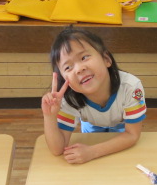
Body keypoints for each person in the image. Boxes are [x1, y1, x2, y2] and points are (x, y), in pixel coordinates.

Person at [41, 26, 146, 163]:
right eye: (68, 67)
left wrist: (92, 151)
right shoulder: (68, 99)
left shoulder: (131, 87)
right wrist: (49, 116)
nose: (79, 69)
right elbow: (57, 149)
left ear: (106, 59)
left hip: (122, 125)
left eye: (84, 57)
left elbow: (132, 135)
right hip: (92, 125)